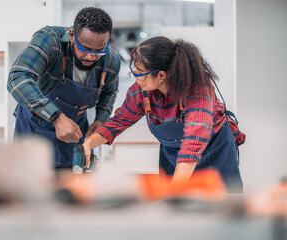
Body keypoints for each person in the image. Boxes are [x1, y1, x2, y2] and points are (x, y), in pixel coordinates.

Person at [83, 36, 246, 192]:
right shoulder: (141, 91)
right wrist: (88, 144)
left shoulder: (198, 89)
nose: (135, 77)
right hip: (174, 157)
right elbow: (118, 122)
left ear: (161, 75)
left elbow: (193, 142)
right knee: (174, 213)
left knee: (219, 209)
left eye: (140, 72)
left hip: (213, 154)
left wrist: (173, 192)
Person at [7, 7, 121, 168]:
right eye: (85, 49)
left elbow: (110, 92)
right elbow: (17, 78)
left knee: (73, 185)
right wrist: (57, 117)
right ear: (72, 36)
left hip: (74, 131)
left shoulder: (111, 61)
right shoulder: (49, 40)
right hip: (34, 128)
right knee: (30, 184)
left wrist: (100, 119)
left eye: (99, 51)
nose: (91, 57)